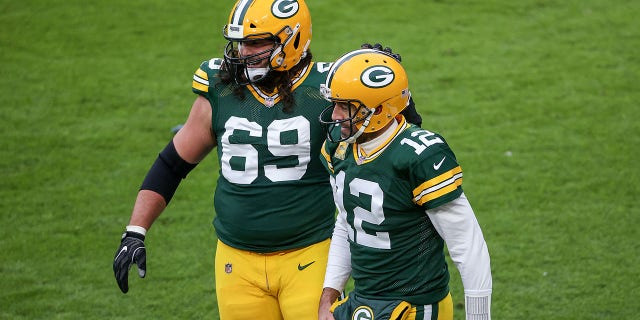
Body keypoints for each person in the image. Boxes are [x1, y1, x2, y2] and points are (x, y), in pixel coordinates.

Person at [112, 0, 422, 319]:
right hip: (236, 264)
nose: (244, 52)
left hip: (310, 255)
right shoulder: (219, 85)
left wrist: (402, 106)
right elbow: (172, 164)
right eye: (240, 42)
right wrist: (135, 230)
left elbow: (387, 155)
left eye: (256, 42)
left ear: (294, 39)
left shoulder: (325, 91)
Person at [316, 49, 492, 320]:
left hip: (417, 306)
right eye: (336, 104)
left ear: (378, 110)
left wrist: (479, 317)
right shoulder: (339, 148)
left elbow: (468, 245)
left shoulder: (419, 155)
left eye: (346, 106)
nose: (336, 115)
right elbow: (347, 221)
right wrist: (330, 291)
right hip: (365, 301)